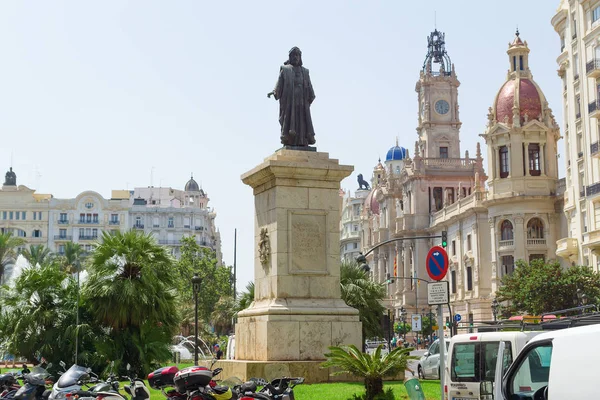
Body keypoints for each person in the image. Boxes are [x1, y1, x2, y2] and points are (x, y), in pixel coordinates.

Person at [268, 47, 316, 147]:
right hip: (290, 100)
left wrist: (311, 95)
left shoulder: (305, 72)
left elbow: (309, 85)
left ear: (300, 57)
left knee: (302, 121)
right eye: (293, 55)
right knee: (290, 120)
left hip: (302, 100)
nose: (295, 57)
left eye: (297, 55)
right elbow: (280, 83)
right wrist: (274, 91)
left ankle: (303, 141)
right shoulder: (285, 70)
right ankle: (289, 140)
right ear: (290, 57)